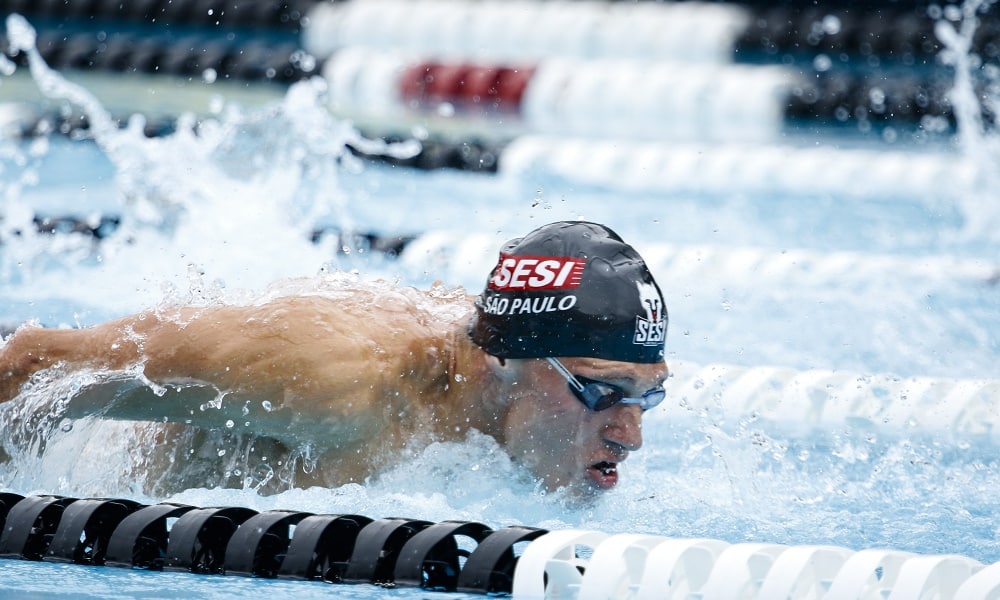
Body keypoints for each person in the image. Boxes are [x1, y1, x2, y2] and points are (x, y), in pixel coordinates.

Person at [0, 221, 668, 498]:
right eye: (600, 391)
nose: (628, 434)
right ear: (503, 361)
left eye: (646, 396)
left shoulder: (509, 402)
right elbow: (35, 363)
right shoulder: (337, 374)